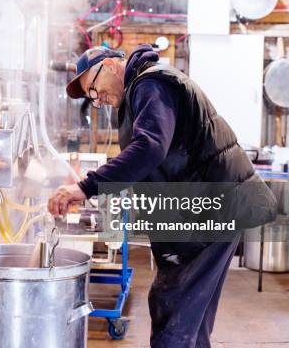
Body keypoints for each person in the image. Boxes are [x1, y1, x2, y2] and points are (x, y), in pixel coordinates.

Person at [47, 45, 276, 348]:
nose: (96, 98)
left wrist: (86, 186)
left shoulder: (151, 84)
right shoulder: (141, 93)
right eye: (91, 96)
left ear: (113, 65)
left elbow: (150, 148)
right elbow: (156, 157)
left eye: (94, 87)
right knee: (189, 318)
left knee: (174, 312)